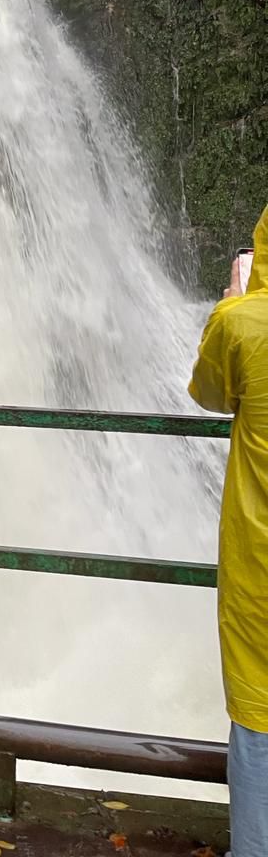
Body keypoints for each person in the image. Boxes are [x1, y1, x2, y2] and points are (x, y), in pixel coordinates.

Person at [190, 204, 268, 857]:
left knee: (258, 715)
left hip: (259, 560)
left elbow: (210, 393)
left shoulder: (242, 324)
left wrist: (240, 298)